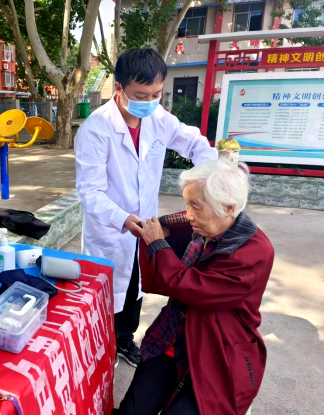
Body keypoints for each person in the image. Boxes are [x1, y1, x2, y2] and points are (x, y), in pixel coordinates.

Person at [74, 48, 217, 367]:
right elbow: (90, 193)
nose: (150, 101)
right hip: (110, 231)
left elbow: (194, 143)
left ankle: (124, 340)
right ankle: (102, 346)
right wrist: (123, 219)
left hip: (147, 226)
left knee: (135, 285)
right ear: (120, 89)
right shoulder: (96, 130)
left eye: (157, 94)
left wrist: (209, 178)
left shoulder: (158, 119)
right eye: (141, 95)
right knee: (105, 296)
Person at [116, 160, 274, 415]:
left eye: (195, 206)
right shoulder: (202, 226)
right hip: (171, 336)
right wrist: (154, 229)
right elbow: (174, 226)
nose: (188, 214)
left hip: (217, 351)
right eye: (187, 204)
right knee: (132, 412)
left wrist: (158, 244)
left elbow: (193, 288)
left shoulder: (254, 253)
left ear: (229, 208)